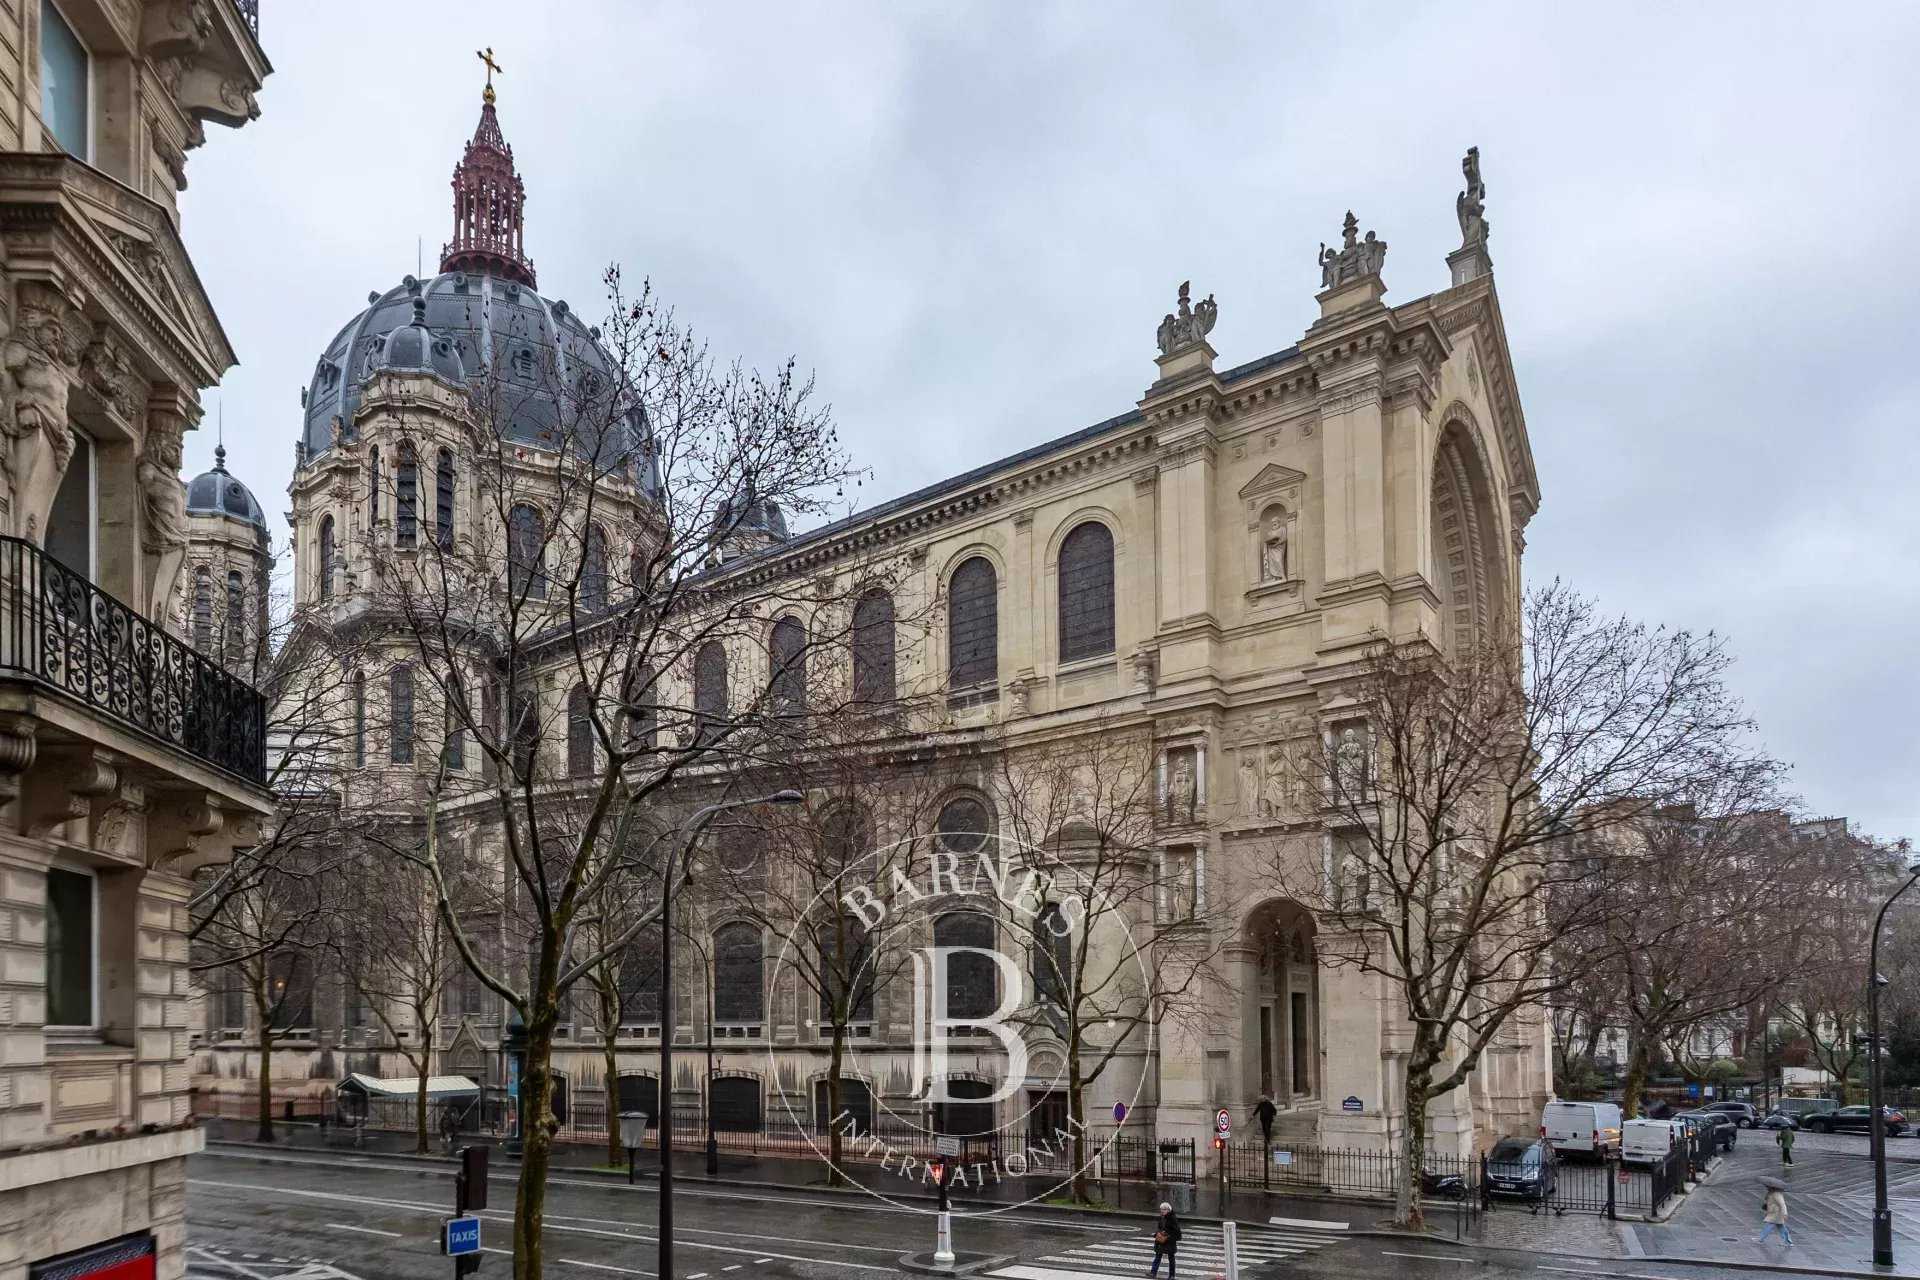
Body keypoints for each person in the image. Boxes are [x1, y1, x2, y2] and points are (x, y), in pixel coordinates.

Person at [1149, 1201, 1182, 1278]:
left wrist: (1168, 1236)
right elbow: (1160, 1228)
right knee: (1158, 1256)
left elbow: (1177, 1232)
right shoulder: (1162, 1218)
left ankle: (1172, 1275)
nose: (1162, 1211)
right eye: (1161, 1209)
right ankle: (1153, 1273)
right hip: (1161, 1240)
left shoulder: (1172, 1219)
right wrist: (1157, 1234)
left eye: (1164, 1209)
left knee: (1171, 1259)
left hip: (1169, 1241)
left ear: (1168, 1210)